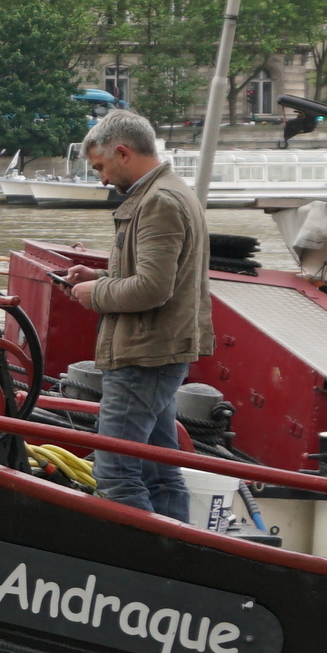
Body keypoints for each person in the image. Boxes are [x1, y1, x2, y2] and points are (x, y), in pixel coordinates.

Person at [65, 109, 209, 523]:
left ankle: (143, 564)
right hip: (162, 352)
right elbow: (165, 274)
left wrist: (96, 292)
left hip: (142, 356)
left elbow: (152, 288)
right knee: (160, 470)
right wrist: (100, 274)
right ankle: (176, 557)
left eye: (101, 167)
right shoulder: (173, 190)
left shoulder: (158, 202)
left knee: (115, 472)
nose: (102, 179)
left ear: (123, 152)